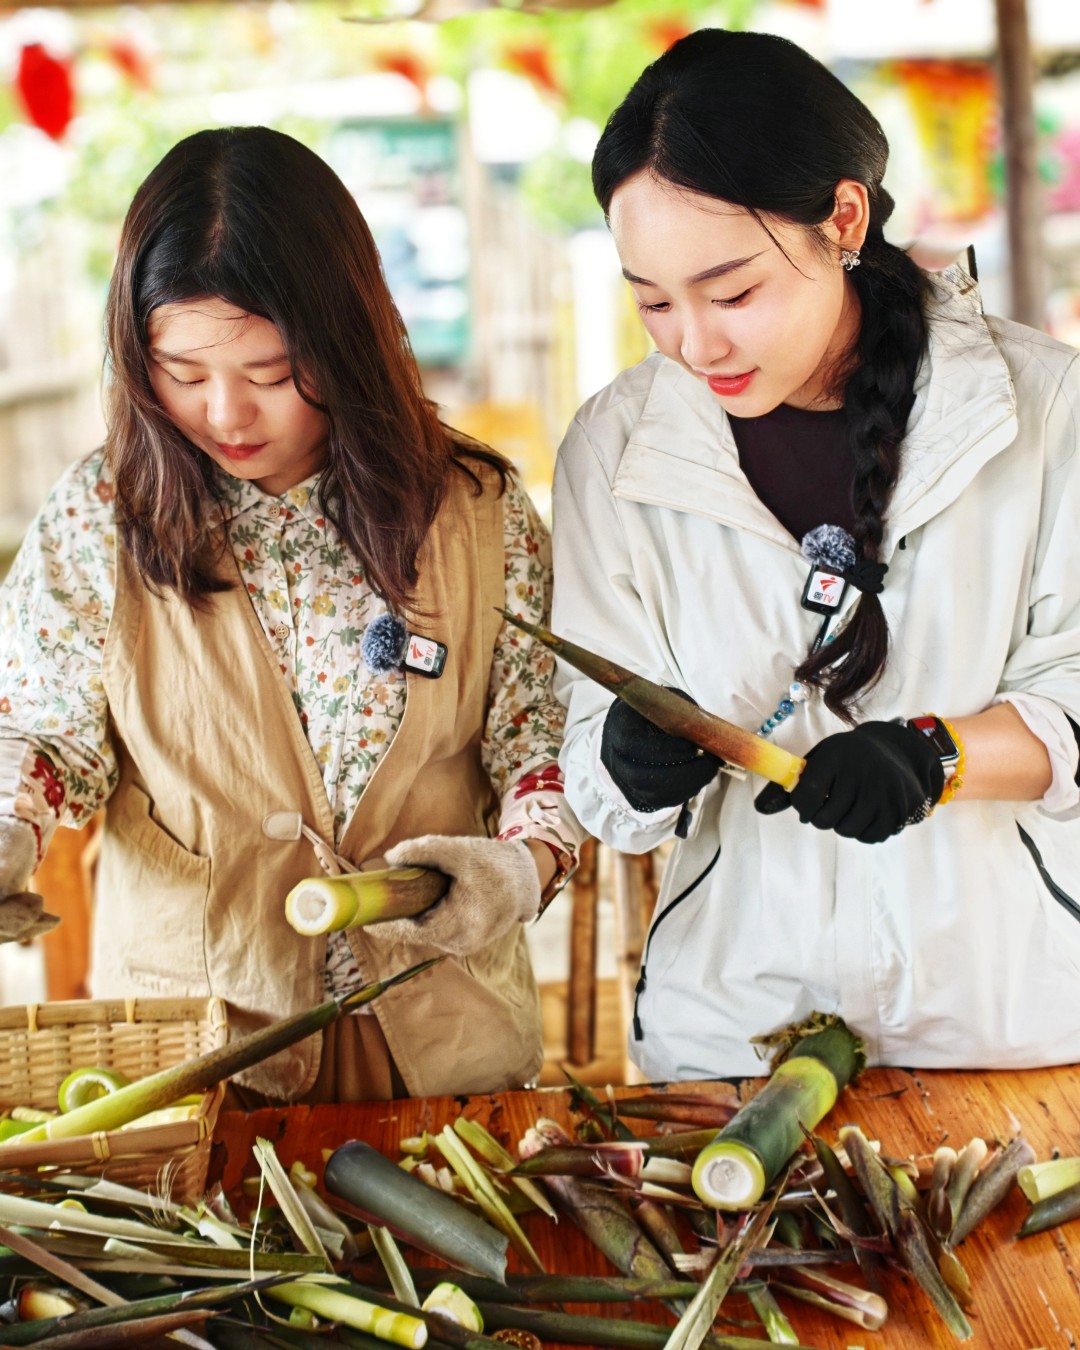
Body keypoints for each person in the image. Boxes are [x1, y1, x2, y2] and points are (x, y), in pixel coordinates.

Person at [0, 126, 582, 1103]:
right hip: (196, 1059)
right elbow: (43, 729)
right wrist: (13, 821)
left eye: (270, 374)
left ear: (345, 340)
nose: (226, 415)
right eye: (182, 374)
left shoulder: (480, 514)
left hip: (447, 1056)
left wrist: (523, 865)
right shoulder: (101, 516)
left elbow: (543, 742)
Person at [551, 28, 1080, 1080]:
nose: (694, 344)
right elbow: (590, 773)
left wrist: (939, 755)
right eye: (652, 301)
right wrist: (624, 759)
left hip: (1002, 1022)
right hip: (729, 1033)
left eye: (731, 291)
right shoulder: (613, 449)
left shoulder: (1045, 407)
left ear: (843, 219)